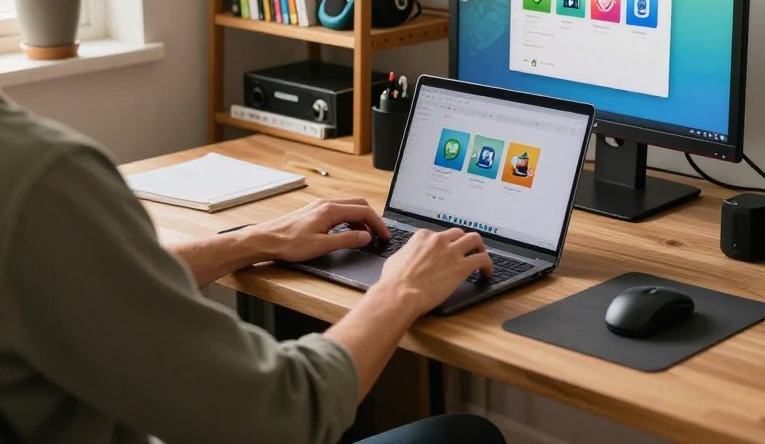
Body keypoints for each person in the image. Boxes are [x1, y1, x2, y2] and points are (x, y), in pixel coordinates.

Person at [0, 93, 505, 444]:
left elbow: (96, 289)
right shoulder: (42, 178)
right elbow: (283, 420)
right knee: (464, 435)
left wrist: (249, 241)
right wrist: (399, 291)